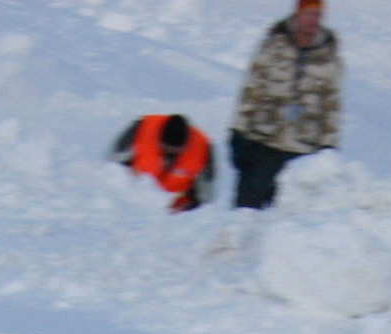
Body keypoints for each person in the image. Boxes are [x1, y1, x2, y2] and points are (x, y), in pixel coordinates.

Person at [230, 2, 343, 211]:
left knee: (287, 221)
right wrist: (238, 131)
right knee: (245, 212)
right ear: (298, 14)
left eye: (318, 15)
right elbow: (251, 89)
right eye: (309, 14)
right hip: (264, 143)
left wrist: (329, 147)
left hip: (302, 151)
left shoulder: (328, 54)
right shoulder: (274, 44)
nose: (313, 20)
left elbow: (332, 106)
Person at [110, 112, 214, 211]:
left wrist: (190, 206)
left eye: (175, 151)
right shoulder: (142, 127)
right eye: (166, 149)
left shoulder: (203, 148)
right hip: (132, 203)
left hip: (178, 214)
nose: (169, 156)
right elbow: (113, 165)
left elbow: (206, 196)